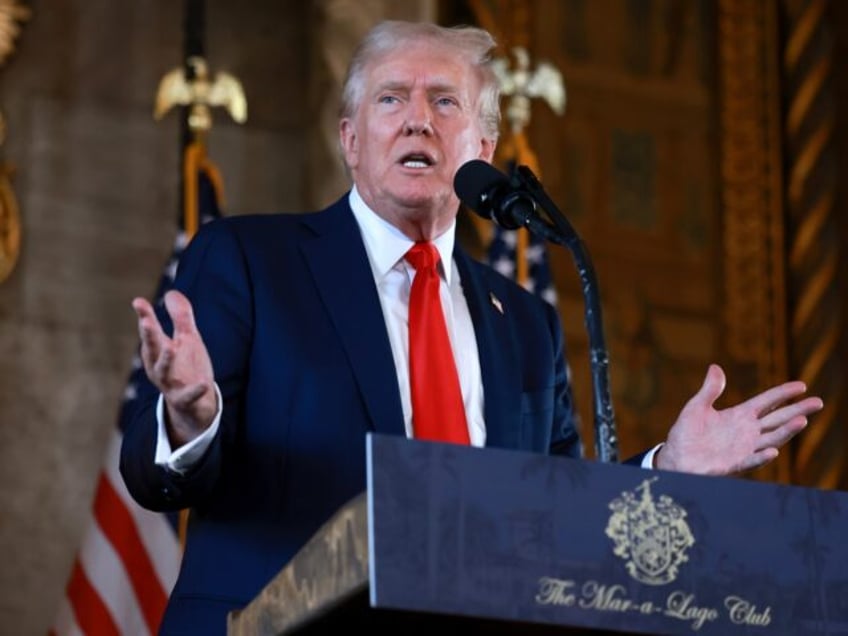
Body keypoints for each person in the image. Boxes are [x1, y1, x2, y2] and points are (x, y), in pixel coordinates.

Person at [120, 20, 823, 635]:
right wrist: (190, 418)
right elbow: (155, 481)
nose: (417, 120)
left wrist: (667, 470)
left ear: (482, 146)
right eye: (391, 98)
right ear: (351, 139)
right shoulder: (250, 261)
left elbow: (562, 518)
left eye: (444, 102)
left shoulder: (525, 326)